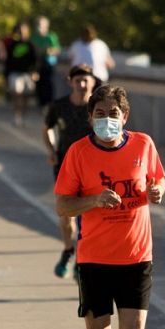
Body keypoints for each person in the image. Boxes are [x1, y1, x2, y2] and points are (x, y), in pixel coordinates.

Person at [54, 84, 165, 329]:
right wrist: (92, 201)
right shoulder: (78, 153)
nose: (106, 120)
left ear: (125, 116)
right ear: (90, 118)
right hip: (95, 260)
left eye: (113, 114)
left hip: (136, 257)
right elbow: (62, 205)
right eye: (99, 114)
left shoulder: (143, 145)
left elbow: (158, 179)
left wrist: (158, 190)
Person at [45, 64, 97, 278]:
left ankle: (81, 259)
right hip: (65, 167)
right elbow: (47, 127)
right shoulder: (59, 106)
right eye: (78, 81)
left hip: (92, 169)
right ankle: (68, 249)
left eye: (86, 80)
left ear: (93, 81)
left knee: (87, 216)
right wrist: (51, 150)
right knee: (66, 215)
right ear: (70, 82)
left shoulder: (97, 107)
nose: (82, 85)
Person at [4, 21, 39, 126]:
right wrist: (7, 74)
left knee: (26, 96)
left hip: (27, 74)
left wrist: (35, 72)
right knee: (17, 94)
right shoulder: (12, 45)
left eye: (23, 30)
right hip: (15, 73)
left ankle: (24, 116)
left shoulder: (30, 44)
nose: (21, 32)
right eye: (19, 31)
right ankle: (17, 116)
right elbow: (8, 61)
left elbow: (36, 60)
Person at [31, 16, 61, 107]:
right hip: (37, 64)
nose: (38, 26)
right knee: (38, 83)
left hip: (49, 64)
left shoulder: (51, 36)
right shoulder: (34, 37)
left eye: (40, 24)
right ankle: (41, 103)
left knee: (48, 84)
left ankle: (49, 103)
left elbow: (58, 50)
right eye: (37, 24)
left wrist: (49, 51)